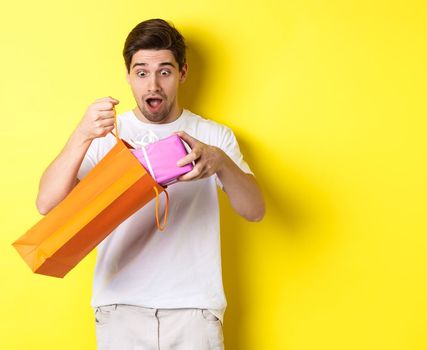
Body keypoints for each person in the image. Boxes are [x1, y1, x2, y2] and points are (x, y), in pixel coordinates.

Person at [34, 18, 265, 349]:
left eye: (165, 72)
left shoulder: (214, 136)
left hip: (194, 310)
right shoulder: (105, 136)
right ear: (129, 76)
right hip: (119, 308)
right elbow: (47, 203)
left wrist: (220, 161)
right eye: (141, 72)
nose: (153, 85)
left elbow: (255, 210)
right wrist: (82, 133)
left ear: (182, 73)